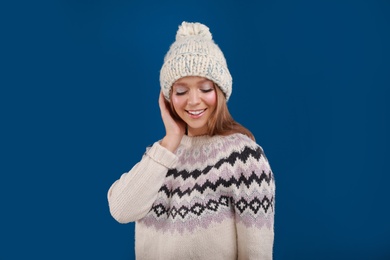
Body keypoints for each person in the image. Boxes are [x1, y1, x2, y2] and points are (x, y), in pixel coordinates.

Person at [107, 21, 275, 260]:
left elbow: (256, 255)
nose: (194, 101)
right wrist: (172, 139)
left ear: (220, 92)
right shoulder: (159, 156)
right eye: (181, 91)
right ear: (168, 99)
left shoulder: (244, 157)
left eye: (205, 88)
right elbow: (121, 210)